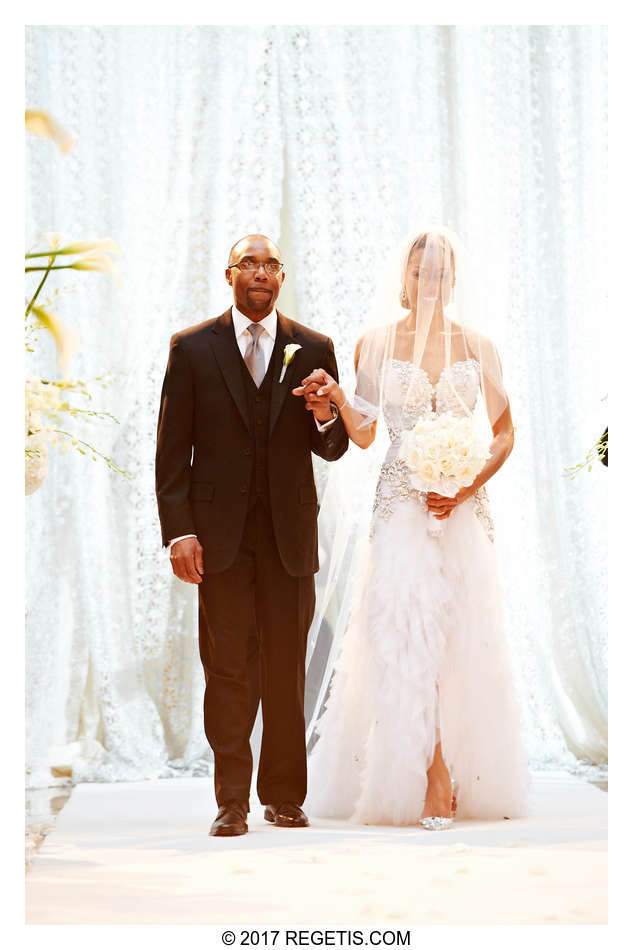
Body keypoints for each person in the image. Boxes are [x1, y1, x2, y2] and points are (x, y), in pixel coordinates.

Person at [299, 228, 529, 827]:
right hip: (400, 506)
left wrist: (466, 484)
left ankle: (459, 760)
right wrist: (337, 402)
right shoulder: (373, 344)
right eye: (420, 271)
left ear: (455, 279)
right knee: (405, 638)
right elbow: (370, 432)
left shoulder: (479, 345)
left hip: (461, 512)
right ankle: (430, 772)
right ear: (404, 277)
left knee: (459, 638)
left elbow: (504, 433)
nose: (430, 281)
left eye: (441, 271)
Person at [155, 234, 349, 836]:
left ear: (282, 278)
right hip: (218, 541)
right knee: (229, 670)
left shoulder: (314, 346)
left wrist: (325, 414)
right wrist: (179, 531)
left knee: (288, 671)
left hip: (290, 539)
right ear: (229, 274)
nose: (260, 273)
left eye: (270, 265)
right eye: (249, 264)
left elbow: (334, 446)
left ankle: (285, 796)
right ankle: (231, 801)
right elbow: (171, 451)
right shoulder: (190, 348)